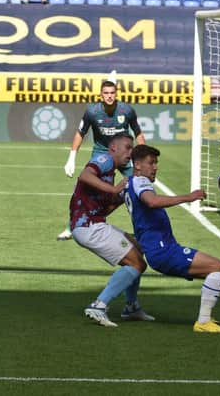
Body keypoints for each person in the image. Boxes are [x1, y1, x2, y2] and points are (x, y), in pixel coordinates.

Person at [124, 145, 220, 333]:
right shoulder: (140, 181)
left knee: (218, 275)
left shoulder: (129, 183)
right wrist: (188, 197)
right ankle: (203, 321)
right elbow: (152, 201)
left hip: (162, 249)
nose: (155, 167)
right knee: (216, 266)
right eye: (151, 163)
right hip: (162, 251)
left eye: (156, 163)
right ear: (138, 165)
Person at [69, 133, 154, 327]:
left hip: (94, 223)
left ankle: (131, 307)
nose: (130, 152)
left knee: (138, 249)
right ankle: (99, 305)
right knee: (136, 264)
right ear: (113, 148)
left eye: (132, 148)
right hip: (88, 226)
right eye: (127, 147)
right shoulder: (105, 159)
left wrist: (121, 196)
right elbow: (85, 175)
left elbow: (106, 206)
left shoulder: (111, 172)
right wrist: (115, 190)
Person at [58, 75, 146, 241]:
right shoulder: (92, 111)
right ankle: (73, 226)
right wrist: (71, 158)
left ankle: (143, 229)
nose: (109, 96)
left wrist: (140, 155)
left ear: (116, 94)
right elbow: (80, 133)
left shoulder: (126, 110)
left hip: (124, 154)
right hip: (102, 153)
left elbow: (138, 133)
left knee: (138, 188)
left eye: (112, 92)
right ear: (101, 95)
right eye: (106, 93)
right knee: (87, 189)